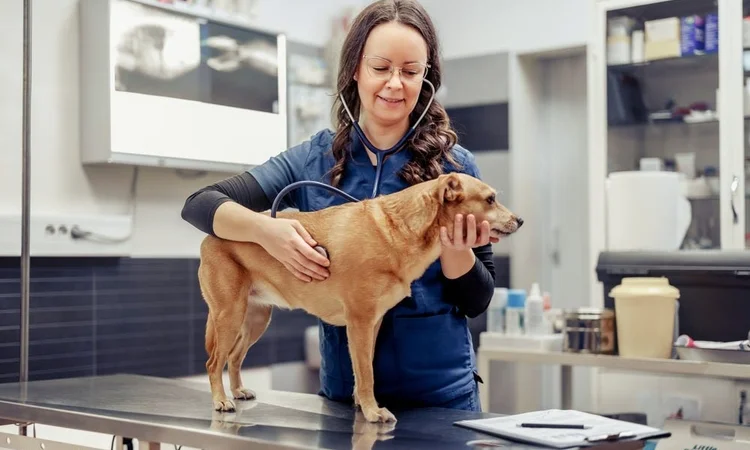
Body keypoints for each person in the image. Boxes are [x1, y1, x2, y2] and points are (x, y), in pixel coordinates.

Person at [181, 0, 499, 413]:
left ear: (427, 79)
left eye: (410, 71)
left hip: (441, 397)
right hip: (345, 401)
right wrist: (269, 232)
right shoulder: (312, 160)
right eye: (381, 68)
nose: (394, 84)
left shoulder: (455, 171)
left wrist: (454, 247)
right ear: (355, 70)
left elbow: (477, 300)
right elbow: (199, 205)